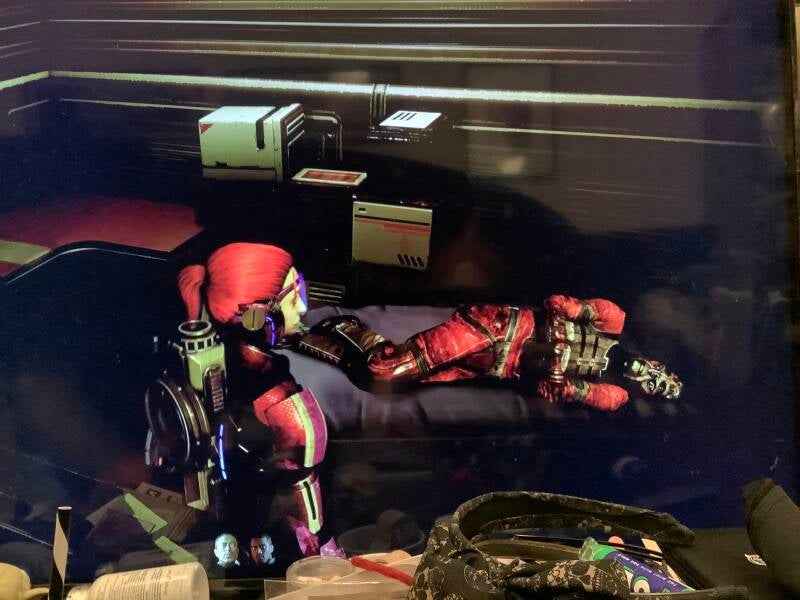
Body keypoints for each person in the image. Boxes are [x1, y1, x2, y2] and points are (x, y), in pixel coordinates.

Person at [177, 243, 326, 544]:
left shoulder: (209, 369)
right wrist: (323, 549)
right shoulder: (278, 396)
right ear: (258, 316)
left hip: (220, 527)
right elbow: (305, 493)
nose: (302, 308)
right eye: (294, 296)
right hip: (269, 535)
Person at [299, 295, 681, 411]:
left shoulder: (611, 393)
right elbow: (560, 303)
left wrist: (559, 382)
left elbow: (559, 391)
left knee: (377, 382)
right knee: (387, 371)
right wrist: (565, 314)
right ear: (656, 363)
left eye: (653, 386)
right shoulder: (612, 320)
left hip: (494, 367)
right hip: (495, 327)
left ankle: (312, 339)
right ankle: (344, 327)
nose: (647, 377)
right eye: (656, 374)